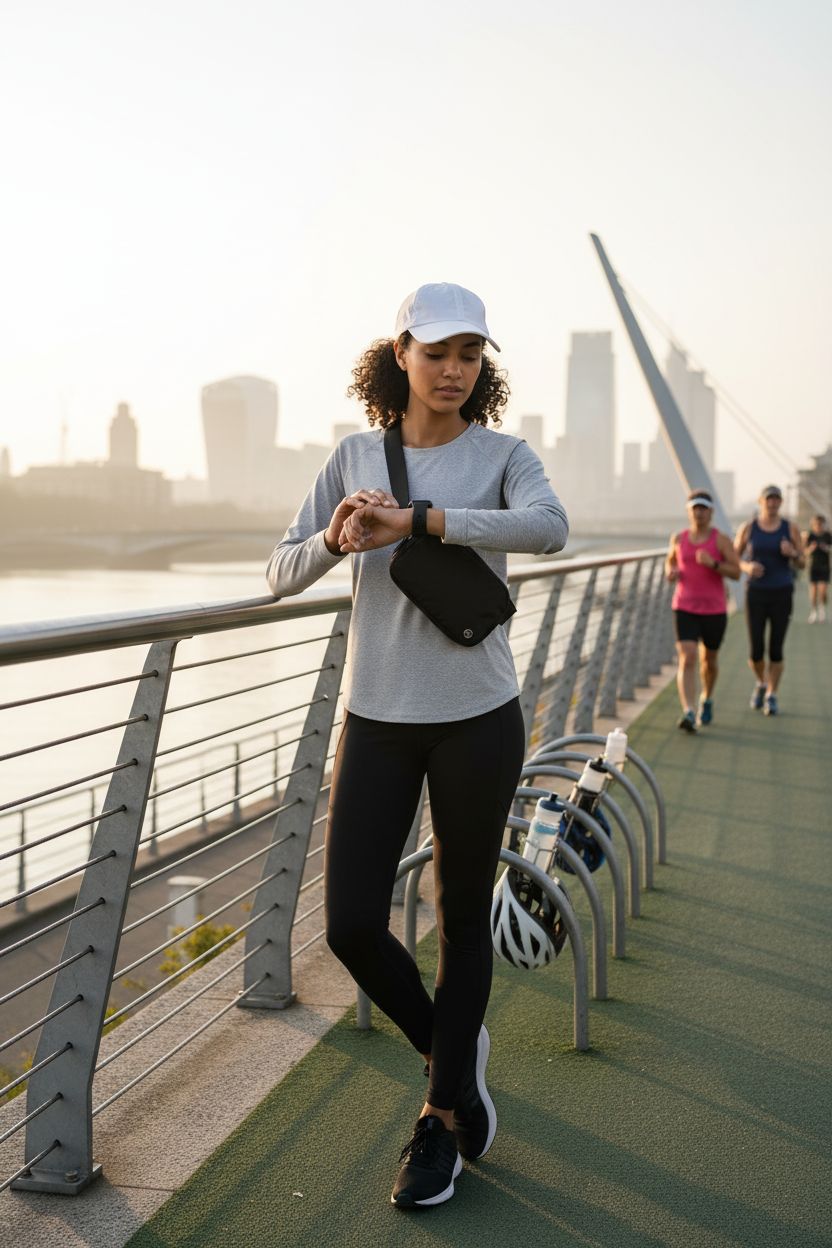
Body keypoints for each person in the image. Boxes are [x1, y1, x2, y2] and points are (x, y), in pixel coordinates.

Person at [266, 282, 568, 1209]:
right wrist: (336, 537)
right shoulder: (355, 456)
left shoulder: (503, 455)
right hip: (378, 717)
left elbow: (550, 528)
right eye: (436, 352)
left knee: (459, 912)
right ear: (399, 354)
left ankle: (440, 1120)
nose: (453, 370)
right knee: (350, 923)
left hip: (478, 715)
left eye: (470, 355)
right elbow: (279, 572)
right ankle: (454, 1055)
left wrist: (425, 519)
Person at [665, 489, 740, 732]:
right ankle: (688, 711)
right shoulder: (679, 538)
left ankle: (706, 697)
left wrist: (714, 563)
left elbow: (736, 572)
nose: (699, 512)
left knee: (709, 660)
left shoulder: (721, 540)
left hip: (714, 610)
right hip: (684, 606)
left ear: (711, 512)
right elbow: (671, 561)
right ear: (689, 511)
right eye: (695, 508)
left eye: (703, 508)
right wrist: (671, 572)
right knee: (688, 657)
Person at [734, 485, 804, 716]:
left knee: (776, 648)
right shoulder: (749, 528)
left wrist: (792, 553)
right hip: (756, 593)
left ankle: (772, 694)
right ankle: (762, 682)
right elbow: (734, 558)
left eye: (776, 499)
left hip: (781, 593)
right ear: (760, 501)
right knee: (756, 651)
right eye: (768, 499)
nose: (772, 503)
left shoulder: (790, 528)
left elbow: (803, 562)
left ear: (780, 502)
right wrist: (747, 567)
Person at [803, 514, 831, 622]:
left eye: (820, 524)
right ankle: (814, 611)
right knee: (813, 592)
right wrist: (811, 548)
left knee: (823, 591)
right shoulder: (810, 535)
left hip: (824, 567)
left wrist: (826, 548)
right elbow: (804, 552)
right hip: (812, 567)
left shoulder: (828, 535)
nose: (818, 526)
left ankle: (822, 609)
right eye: (816, 524)